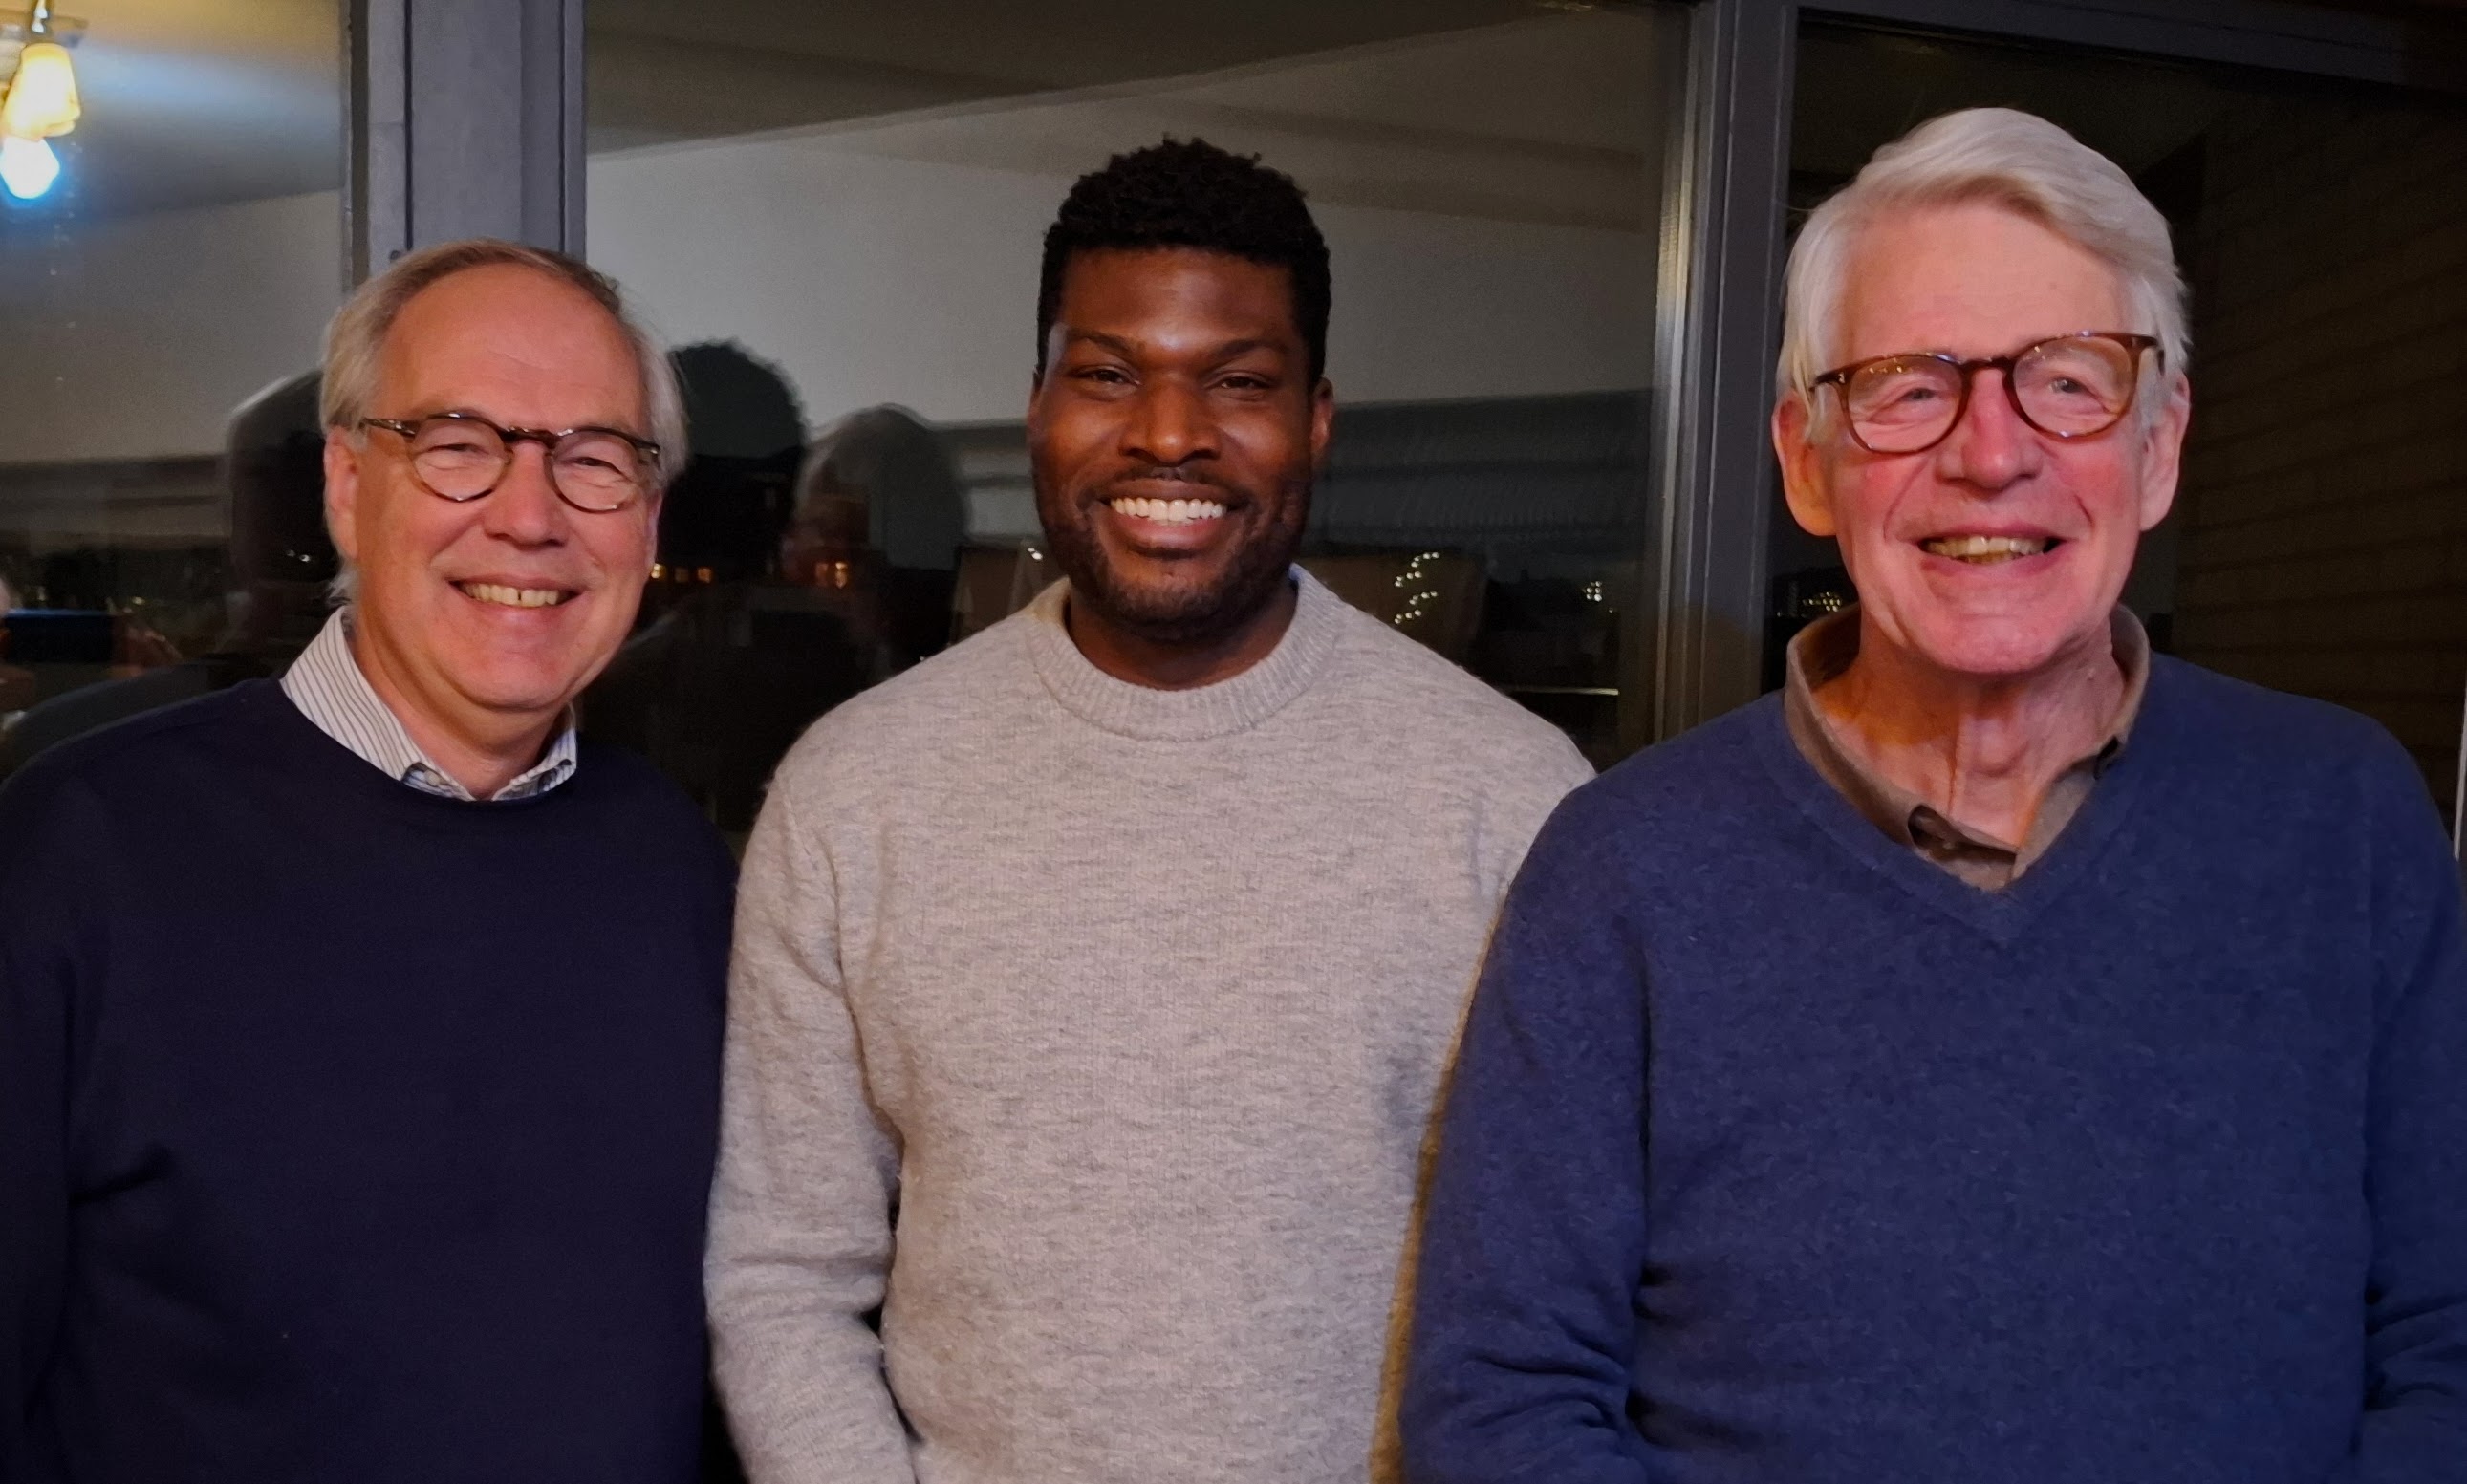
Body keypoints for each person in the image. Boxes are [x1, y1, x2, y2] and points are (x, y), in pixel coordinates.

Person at [1400, 106, 2467, 1483]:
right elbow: (1501, 1409)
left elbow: (2447, 1347)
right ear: (1806, 460)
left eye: (2069, 380)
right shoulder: (1623, 869)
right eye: (1909, 386)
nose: (1990, 452)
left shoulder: (2345, 821)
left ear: (2158, 448)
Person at [707, 137, 1593, 1483]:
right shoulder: (856, 790)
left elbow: (1572, 1309)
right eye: (1109, 374)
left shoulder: (1514, 802)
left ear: (1316, 420)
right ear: (1037, 405)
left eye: (1238, 381)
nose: (1169, 433)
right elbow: (783, 1275)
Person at [0, 239, 735, 1482]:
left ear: (648, 518)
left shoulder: (678, 871)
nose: (530, 515)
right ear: (347, 486)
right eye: (457, 443)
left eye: (594, 459)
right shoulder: (76, 858)